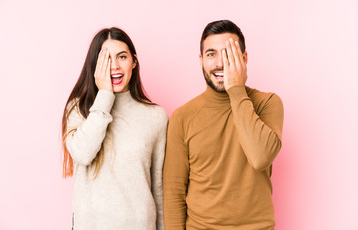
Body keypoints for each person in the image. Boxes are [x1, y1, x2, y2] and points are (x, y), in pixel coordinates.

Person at [163, 20, 284, 229]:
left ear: (244, 59)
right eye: (211, 54)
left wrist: (236, 90)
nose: (220, 63)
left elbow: (260, 157)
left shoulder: (268, 103)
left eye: (229, 53)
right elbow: (174, 191)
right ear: (201, 60)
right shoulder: (183, 117)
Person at [61, 27, 167, 230]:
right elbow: (83, 154)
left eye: (122, 57)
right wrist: (104, 95)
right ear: (95, 65)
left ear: (134, 62)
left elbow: (158, 187)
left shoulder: (156, 117)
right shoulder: (78, 109)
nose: (115, 66)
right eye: (106, 59)